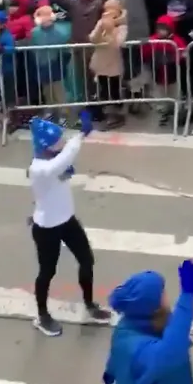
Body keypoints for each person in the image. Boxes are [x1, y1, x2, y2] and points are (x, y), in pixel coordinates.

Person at [28, 111, 111, 335]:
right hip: (47, 228)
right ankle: (42, 316)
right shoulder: (40, 168)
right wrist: (80, 135)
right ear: (46, 146)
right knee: (47, 271)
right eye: (58, 142)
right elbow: (63, 160)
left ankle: (89, 304)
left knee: (87, 260)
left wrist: (78, 137)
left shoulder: (53, 159)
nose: (62, 143)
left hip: (67, 220)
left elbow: (64, 159)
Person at [103, 260, 193, 384]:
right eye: (162, 293)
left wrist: (111, 372)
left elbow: (117, 355)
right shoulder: (139, 348)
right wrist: (187, 296)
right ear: (153, 307)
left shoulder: (126, 327)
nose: (167, 296)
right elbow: (171, 352)